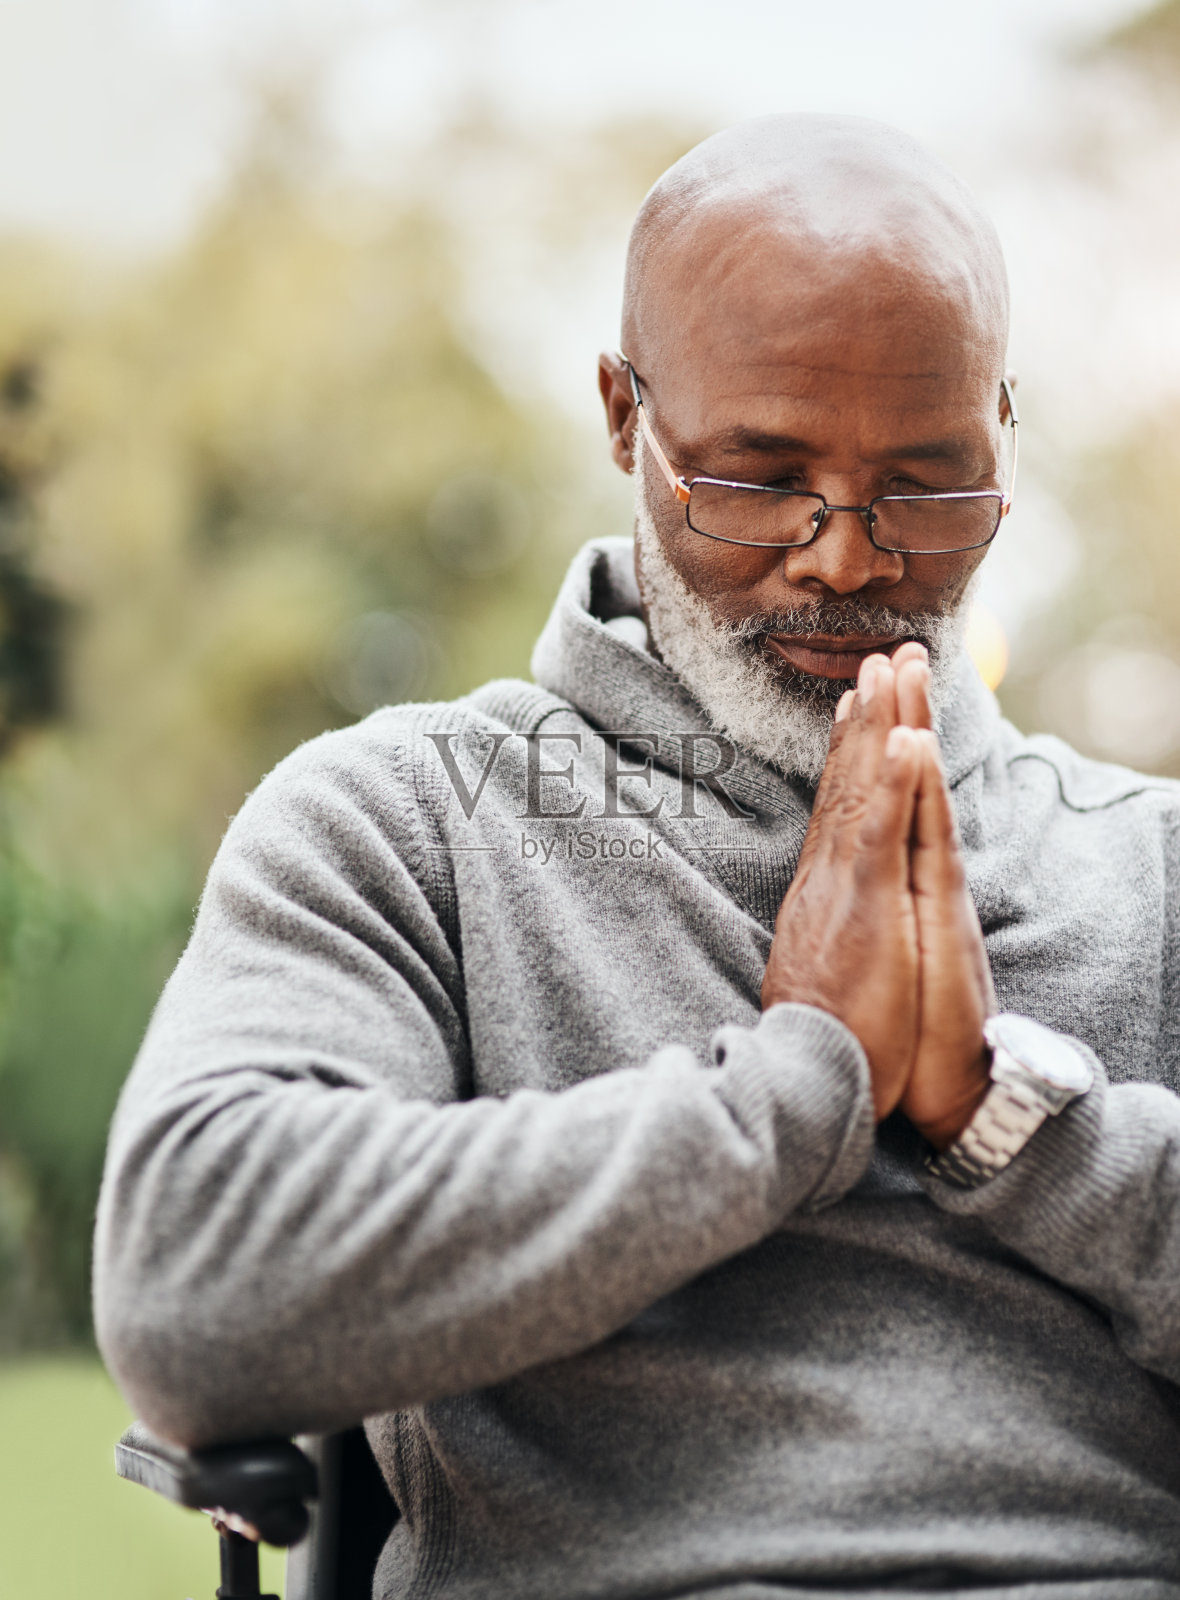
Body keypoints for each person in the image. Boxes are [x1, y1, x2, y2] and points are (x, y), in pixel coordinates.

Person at [94, 115, 1180, 1600]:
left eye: (929, 486)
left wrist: (1015, 1121)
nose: (848, 557)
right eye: (756, 475)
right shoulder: (409, 820)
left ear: (1006, 427)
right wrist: (795, 1090)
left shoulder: (1152, 865)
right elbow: (194, 1290)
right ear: (623, 416)